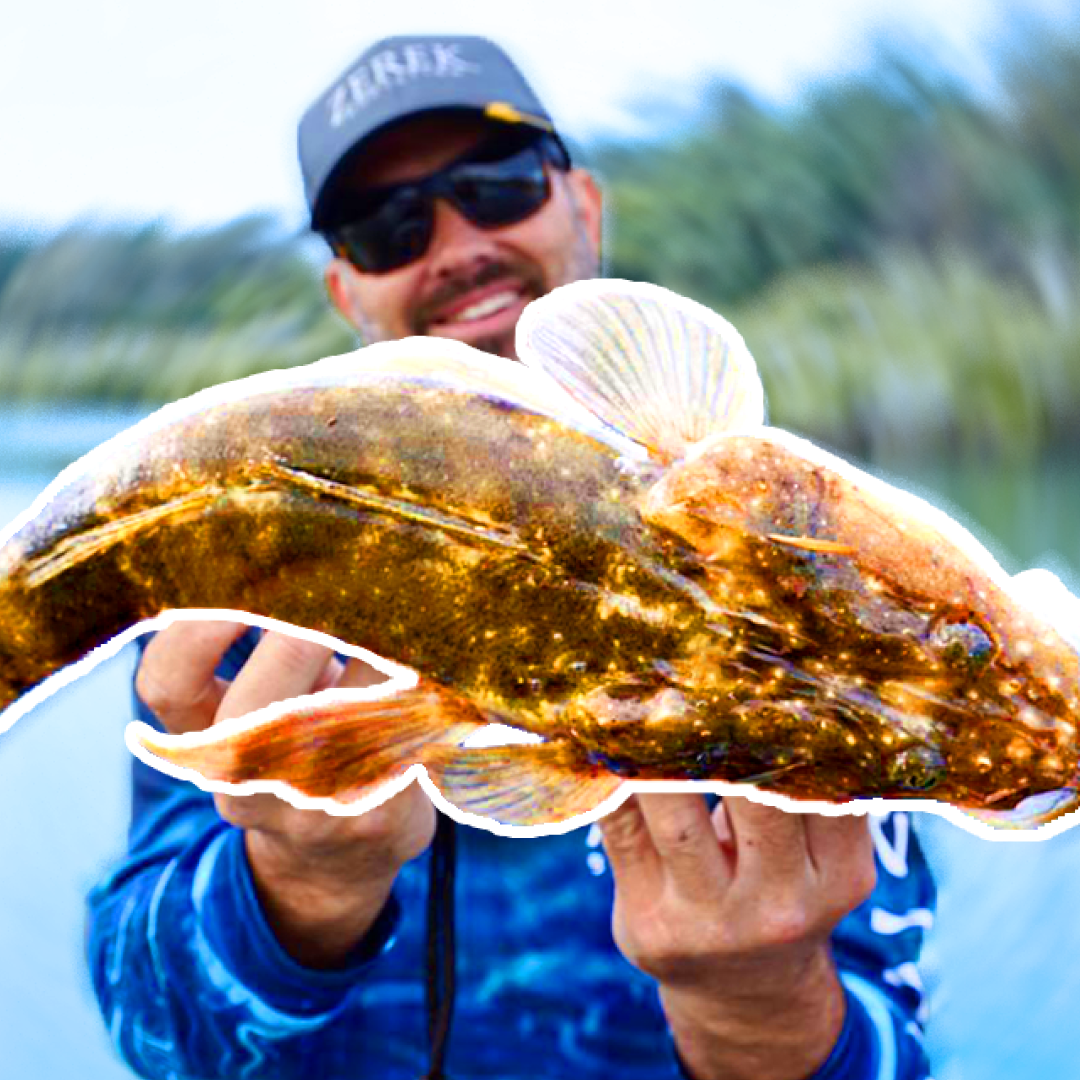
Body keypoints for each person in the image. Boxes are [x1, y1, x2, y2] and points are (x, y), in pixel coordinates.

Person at [86, 36, 935, 1080]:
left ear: (583, 202)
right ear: (346, 291)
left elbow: (894, 1027)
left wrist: (757, 1009)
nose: (452, 245)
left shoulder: (790, 565)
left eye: (496, 186)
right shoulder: (242, 594)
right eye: (387, 227)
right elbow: (152, 1028)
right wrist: (297, 886)